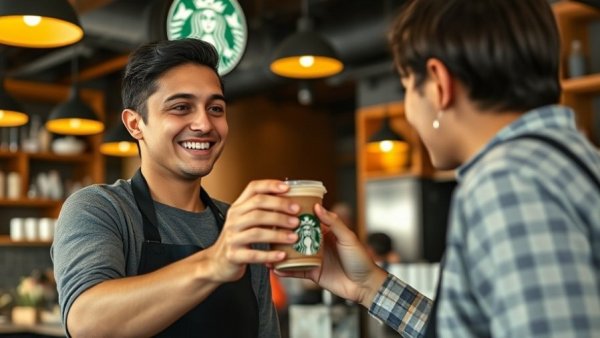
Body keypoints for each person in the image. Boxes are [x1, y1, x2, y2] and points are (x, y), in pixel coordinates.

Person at [277, 0, 600, 337]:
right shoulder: (564, 160)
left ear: (438, 84)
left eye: (405, 88)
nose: (409, 110)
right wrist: (369, 286)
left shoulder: (507, 182)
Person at [51, 38, 302, 337]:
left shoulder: (240, 226)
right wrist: (215, 261)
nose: (204, 124)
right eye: (181, 107)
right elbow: (86, 323)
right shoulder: (101, 209)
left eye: (216, 108)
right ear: (135, 124)